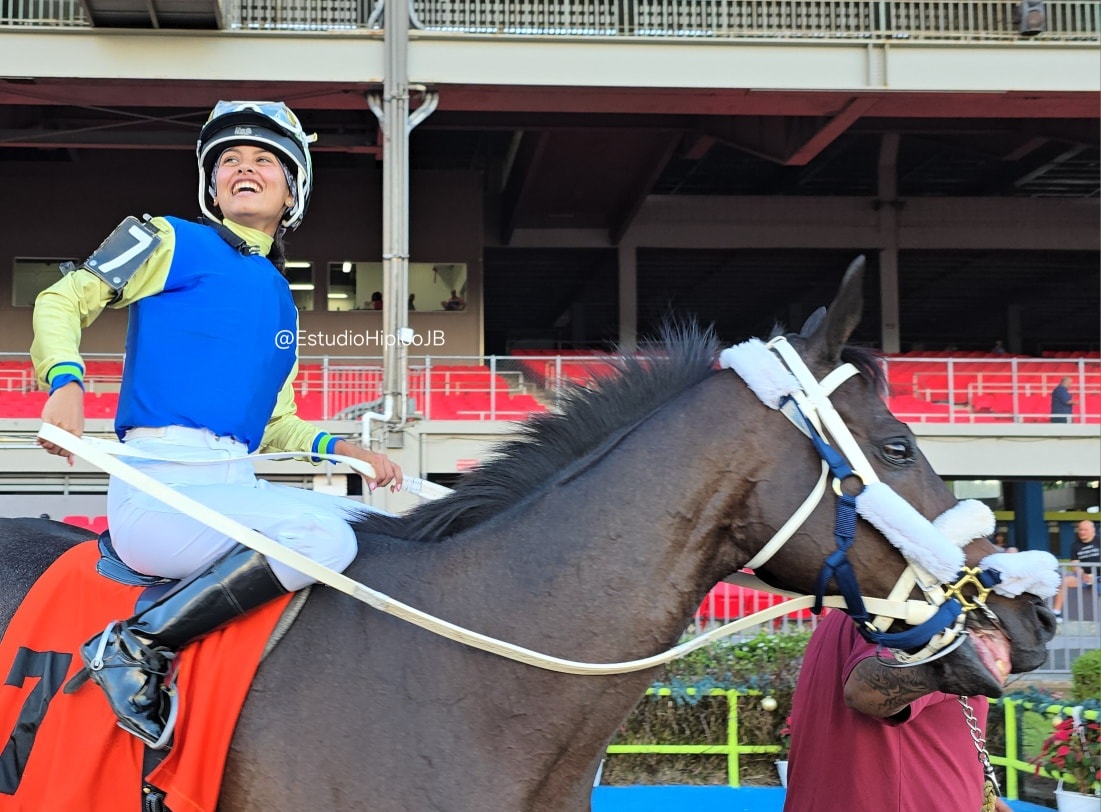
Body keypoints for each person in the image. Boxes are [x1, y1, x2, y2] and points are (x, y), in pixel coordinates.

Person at [31, 100, 402, 749]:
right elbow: (64, 298)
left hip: (234, 484)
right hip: (161, 488)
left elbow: (276, 423)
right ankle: (136, 647)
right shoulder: (170, 237)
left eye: (263, 160)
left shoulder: (281, 298)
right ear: (213, 186)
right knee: (324, 538)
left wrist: (341, 446)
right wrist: (66, 380)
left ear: (293, 191)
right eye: (229, 160)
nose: (243, 168)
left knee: (378, 533)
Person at [784, 611, 1010, 812]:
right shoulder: (905, 612)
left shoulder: (842, 616)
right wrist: (958, 656)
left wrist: (972, 790)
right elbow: (867, 693)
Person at [1052, 519, 1100, 621]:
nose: (1082, 532)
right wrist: (1083, 576)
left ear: (1093, 530)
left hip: (1099, 576)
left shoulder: (1099, 541)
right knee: (1064, 581)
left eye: (1085, 530)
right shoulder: (1075, 545)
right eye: (1080, 530)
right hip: (1084, 577)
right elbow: (1075, 566)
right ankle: (1056, 613)